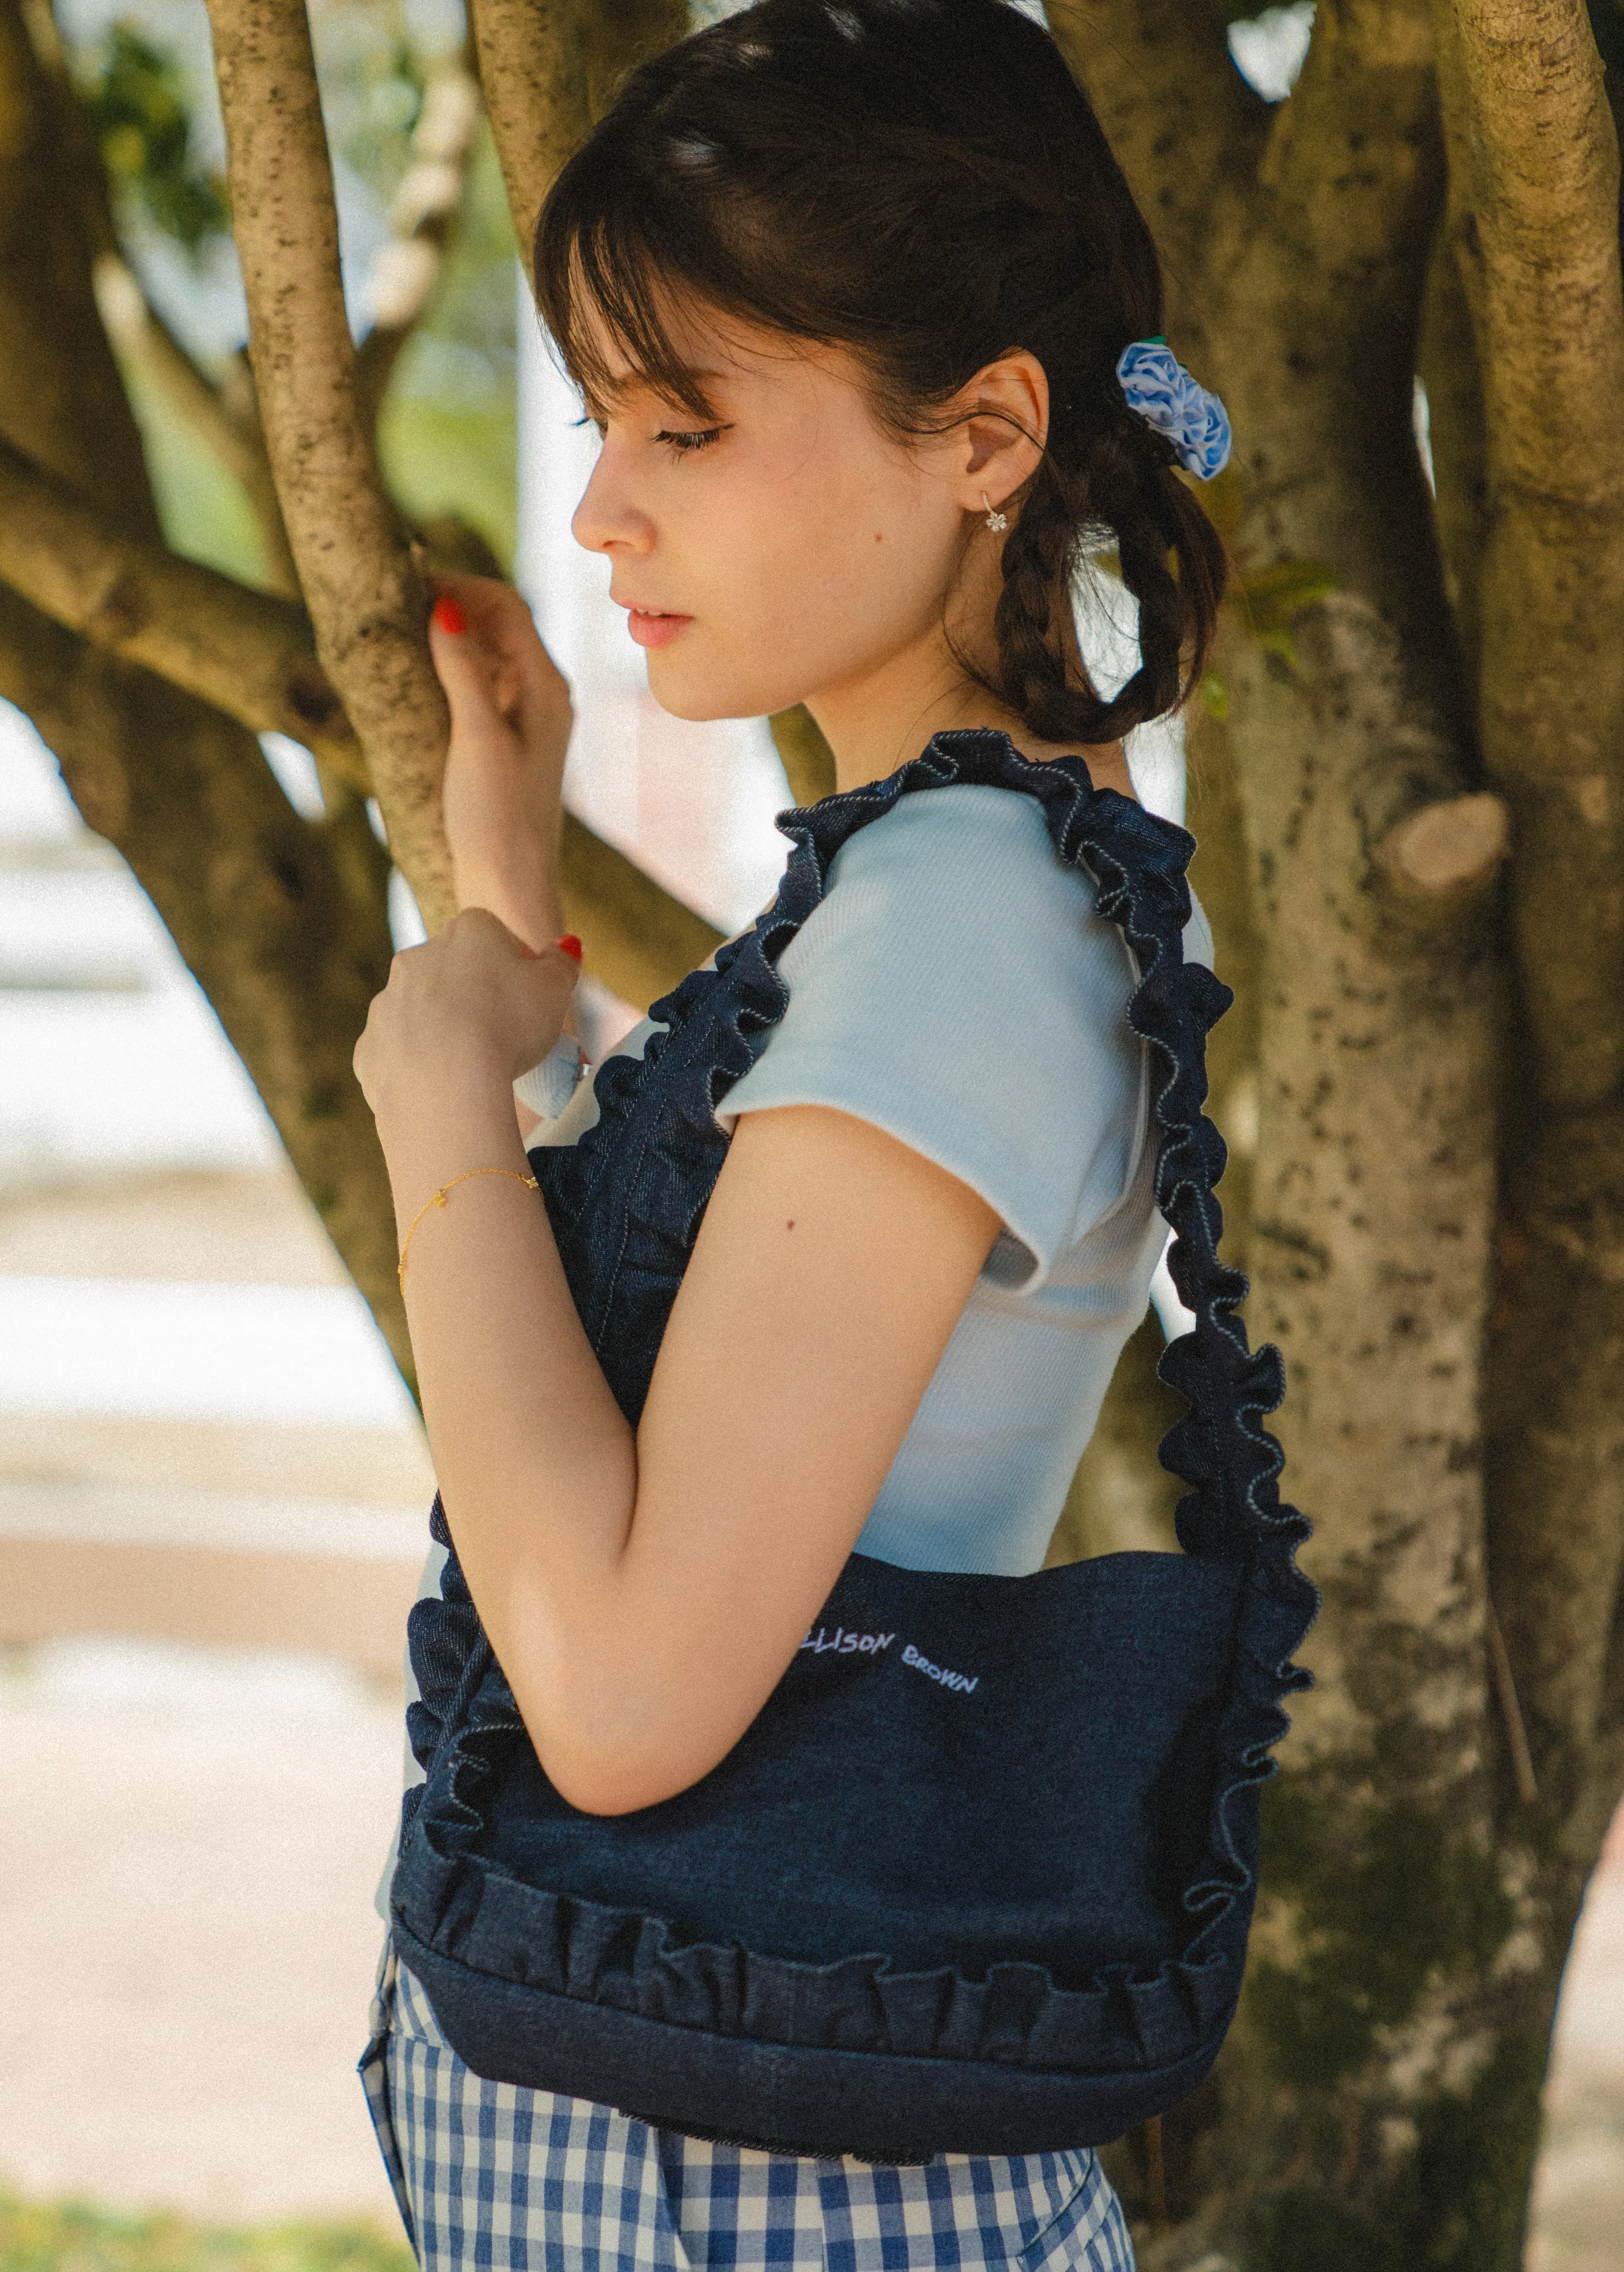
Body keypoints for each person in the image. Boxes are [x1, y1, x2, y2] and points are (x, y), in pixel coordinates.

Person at [351, 0, 1231, 2262]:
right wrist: (509, 924)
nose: (597, 505)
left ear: (984, 433)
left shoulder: (954, 920)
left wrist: (435, 1086)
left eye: (686, 421)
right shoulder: (980, 865)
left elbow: (629, 1695)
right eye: (596, 418)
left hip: (733, 2186)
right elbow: (674, 1390)